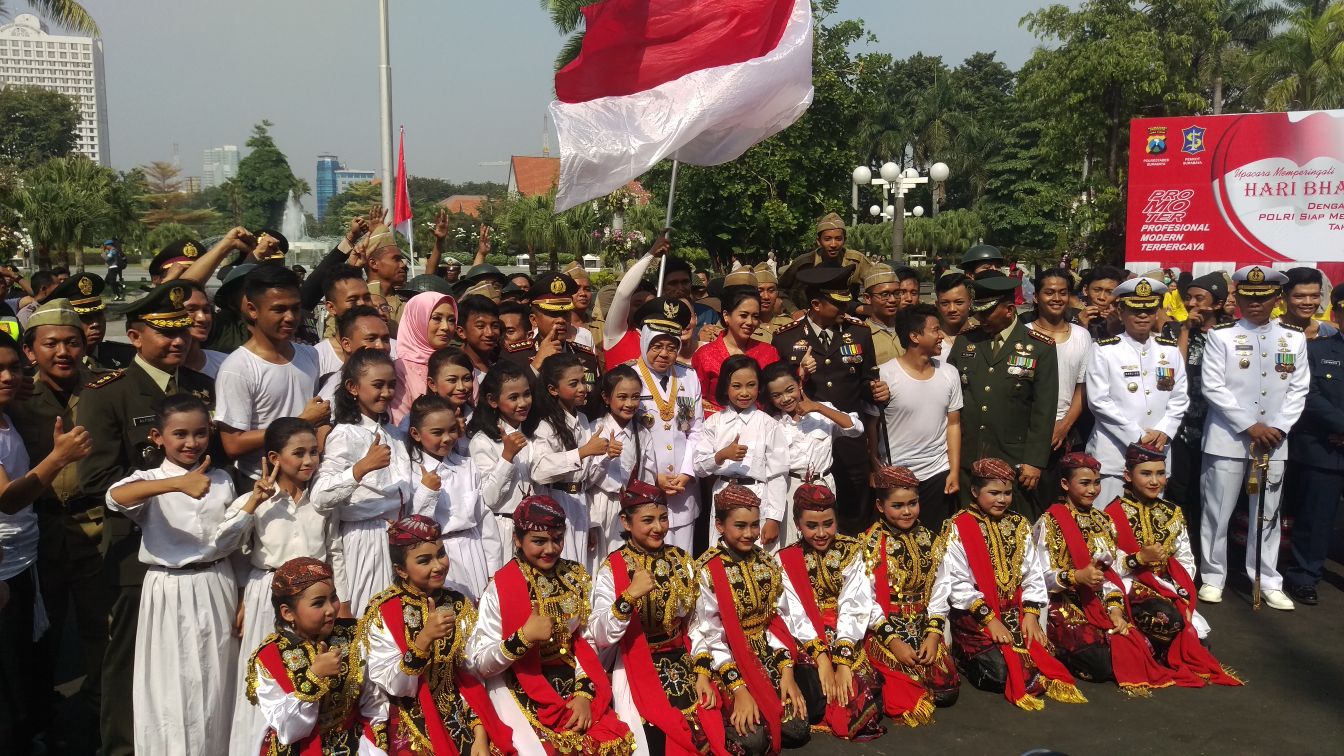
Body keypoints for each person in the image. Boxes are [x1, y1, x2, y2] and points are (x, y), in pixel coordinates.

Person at [72, 282, 217, 756]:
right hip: (138, 554)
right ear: (134, 337)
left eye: (183, 332)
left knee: (195, 664)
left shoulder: (200, 387)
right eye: (165, 332)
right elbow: (97, 479)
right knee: (130, 663)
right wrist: (166, 491)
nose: (179, 341)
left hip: (203, 549)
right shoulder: (108, 394)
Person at [105, 394, 263, 756]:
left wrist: (241, 595)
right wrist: (176, 484)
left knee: (216, 676)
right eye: (180, 434)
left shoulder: (222, 479)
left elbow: (235, 543)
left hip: (217, 583)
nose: (191, 443)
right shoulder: (149, 479)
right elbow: (116, 497)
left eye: (200, 434)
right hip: (170, 588)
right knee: (175, 680)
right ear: (158, 437)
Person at [466, 496, 637, 756]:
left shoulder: (575, 576)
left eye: (557, 538)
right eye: (538, 541)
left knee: (612, 741)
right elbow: (479, 663)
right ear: (516, 539)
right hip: (521, 683)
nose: (550, 549)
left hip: (573, 679)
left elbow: (586, 641)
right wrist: (522, 638)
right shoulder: (500, 588)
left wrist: (583, 693)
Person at [10, 301, 104, 748]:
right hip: (40, 534)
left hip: (96, 528)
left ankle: (99, 714)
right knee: (38, 635)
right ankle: (41, 718)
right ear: (32, 350)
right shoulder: (17, 399)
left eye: (73, 342)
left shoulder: (106, 389)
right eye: (51, 344)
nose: (63, 351)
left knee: (100, 629)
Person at [933, 458, 1087, 710]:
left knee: (1043, 658)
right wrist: (989, 619)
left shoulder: (1019, 524)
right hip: (977, 615)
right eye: (993, 492)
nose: (1002, 499)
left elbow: (1033, 574)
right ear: (974, 491)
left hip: (1015, 611)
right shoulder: (957, 527)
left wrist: (1030, 614)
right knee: (999, 674)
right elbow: (956, 582)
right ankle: (963, 655)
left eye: (1007, 493)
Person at [587, 479, 726, 755]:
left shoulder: (681, 559)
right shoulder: (612, 568)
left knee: (706, 732)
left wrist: (701, 673)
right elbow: (600, 634)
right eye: (648, 520)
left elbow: (696, 624)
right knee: (651, 743)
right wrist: (628, 597)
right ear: (626, 523)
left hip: (681, 659)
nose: (659, 527)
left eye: (663, 518)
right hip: (634, 662)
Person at [1197, 265, 1308, 611]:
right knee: (1217, 511)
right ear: (1238, 298)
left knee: (1268, 513)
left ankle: (1267, 577)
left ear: (1276, 298)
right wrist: (1250, 426)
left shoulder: (1293, 337)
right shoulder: (1222, 336)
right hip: (1228, 439)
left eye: (1262, 298)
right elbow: (1213, 387)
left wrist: (1278, 427)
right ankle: (1213, 576)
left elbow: (1299, 389)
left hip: (1274, 440)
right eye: (1248, 297)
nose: (1254, 304)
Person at [226, 419, 337, 756]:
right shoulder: (257, 499)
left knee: (314, 670)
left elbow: (335, 550)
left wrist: (338, 599)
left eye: (314, 452)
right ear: (274, 457)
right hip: (270, 596)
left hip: (315, 600)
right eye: (299, 453)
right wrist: (252, 504)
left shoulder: (321, 499)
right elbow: (227, 544)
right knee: (269, 677)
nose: (309, 461)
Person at [362, 515, 507, 755]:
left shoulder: (457, 603)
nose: (438, 565)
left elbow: (469, 674)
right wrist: (423, 641)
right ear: (401, 570)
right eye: (424, 560)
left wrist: (480, 732)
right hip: (409, 719)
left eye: (441, 554)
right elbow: (394, 686)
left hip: (460, 715)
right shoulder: (383, 611)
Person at [1034, 452, 1177, 695]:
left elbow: (1110, 575)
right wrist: (1076, 577)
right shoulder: (1049, 522)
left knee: (1158, 628)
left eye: (1097, 482)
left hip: (1098, 599)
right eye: (1085, 483)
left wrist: (1116, 610)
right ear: (1065, 484)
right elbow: (1038, 576)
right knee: (1100, 664)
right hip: (1061, 600)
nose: (1093, 490)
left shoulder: (1104, 521)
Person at [1105, 443, 1242, 686]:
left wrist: (1181, 593)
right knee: (1169, 622)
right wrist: (1138, 560)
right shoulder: (1112, 514)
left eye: (1160, 473)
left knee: (1198, 642)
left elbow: (1185, 559)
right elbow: (1105, 565)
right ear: (1128, 476)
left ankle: (1156, 648)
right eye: (1146, 473)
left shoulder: (1173, 512)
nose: (1154, 481)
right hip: (1128, 584)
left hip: (1167, 587)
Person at [692, 484, 815, 753]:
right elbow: (710, 633)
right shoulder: (707, 570)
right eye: (740, 525)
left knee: (797, 729)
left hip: (765, 656)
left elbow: (777, 621)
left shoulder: (766, 563)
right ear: (720, 526)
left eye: (755, 524)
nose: (750, 533)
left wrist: (787, 672)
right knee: (753, 741)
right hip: (725, 660)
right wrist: (738, 689)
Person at [772, 265, 887, 532]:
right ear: (816, 304)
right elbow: (778, 390)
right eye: (837, 304)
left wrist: (877, 389)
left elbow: (867, 379)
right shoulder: (786, 337)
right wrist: (801, 374)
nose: (843, 310)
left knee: (853, 513)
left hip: (849, 436)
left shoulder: (859, 332)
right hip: (809, 441)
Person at [775, 483, 887, 741]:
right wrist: (824, 660)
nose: (822, 533)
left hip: (846, 632)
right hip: (807, 637)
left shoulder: (851, 550)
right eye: (811, 526)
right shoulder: (785, 558)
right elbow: (794, 613)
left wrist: (843, 661)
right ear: (797, 524)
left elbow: (855, 604)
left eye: (829, 523)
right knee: (816, 697)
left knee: (861, 699)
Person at [243, 557, 385, 755]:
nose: (331, 609)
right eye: (318, 603)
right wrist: (314, 677)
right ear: (288, 613)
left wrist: (376, 743)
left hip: (354, 744)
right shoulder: (270, 658)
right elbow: (289, 730)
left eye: (333, 597)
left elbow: (373, 700)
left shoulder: (353, 635)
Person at [947, 271, 1058, 519]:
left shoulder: (1039, 347)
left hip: (1013, 460)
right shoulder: (966, 342)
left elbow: (1044, 409)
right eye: (977, 311)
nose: (980, 318)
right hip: (969, 457)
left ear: (1009, 310)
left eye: (987, 312)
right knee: (968, 529)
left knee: (1013, 530)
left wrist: (1035, 461)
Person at [312, 348, 414, 615]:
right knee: (371, 617)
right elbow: (320, 497)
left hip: (398, 537)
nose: (386, 393)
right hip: (364, 541)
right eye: (377, 385)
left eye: (392, 385)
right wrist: (360, 469)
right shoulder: (345, 434)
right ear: (353, 387)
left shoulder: (393, 433)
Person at [860, 466, 958, 719]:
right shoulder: (869, 544)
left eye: (913, 503)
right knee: (905, 697)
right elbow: (865, 600)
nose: (907, 511)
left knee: (946, 693)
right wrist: (893, 641)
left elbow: (941, 587)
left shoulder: (929, 538)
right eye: (898, 505)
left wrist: (934, 635)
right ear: (881, 506)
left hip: (924, 626)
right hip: (886, 628)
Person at [215, 265, 327, 480]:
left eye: (295, 308)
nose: (290, 317)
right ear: (252, 309)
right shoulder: (237, 368)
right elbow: (233, 443)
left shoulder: (310, 355)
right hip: (261, 483)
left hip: (306, 479)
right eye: (279, 309)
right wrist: (301, 422)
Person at [1085, 276, 1189, 506]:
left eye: (1149, 309)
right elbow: (1099, 401)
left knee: (1150, 525)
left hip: (1157, 453)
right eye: (1135, 309)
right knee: (1109, 524)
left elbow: (1180, 396)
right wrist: (1138, 437)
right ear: (1121, 312)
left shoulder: (1169, 351)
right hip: (1114, 455)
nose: (1143, 315)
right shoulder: (1104, 350)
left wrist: (1165, 430)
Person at [875, 304, 962, 530]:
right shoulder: (885, 375)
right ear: (914, 336)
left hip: (937, 474)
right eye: (935, 330)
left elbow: (953, 424)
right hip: (896, 477)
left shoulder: (949, 373)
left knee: (936, 542)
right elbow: (870, 429)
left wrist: (953, 471)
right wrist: (875, 469)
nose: (941, 335)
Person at [1284, 282, 1344, 605]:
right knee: (1315, 520)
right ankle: (1304, 576)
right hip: (1325, 449)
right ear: (1336, 314)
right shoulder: (1316, 351)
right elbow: (1308, 395)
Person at [628, 297, 704, 552]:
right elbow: (628, 434)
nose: (664, 354)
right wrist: (654, 475)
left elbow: (695, 430)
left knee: (682, 562)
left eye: (671, 347)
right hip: (644, 486)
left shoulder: (688, 376)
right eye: (657, 345)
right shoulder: (628, 377)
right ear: (644, 342)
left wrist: (685, 473)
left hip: (683, 491)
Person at [761, 361, 864, 548]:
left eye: (789, 389)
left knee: (824, 539)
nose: (785, 398)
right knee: (791, 542)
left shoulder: (822, 410)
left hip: (823, 484)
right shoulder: (772, 423)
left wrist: (817, 408)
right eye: (776, 395)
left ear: (800, 384)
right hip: (791, 487)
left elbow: (856, 428)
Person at [409, 395, 502, 598]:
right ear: (416, 434)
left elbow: (484, 520)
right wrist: (427, 492)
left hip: (473, 550)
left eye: (452, 430)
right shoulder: (412, 473)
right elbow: (416, 524)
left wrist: (494, 571)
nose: (447, 438)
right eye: (437, 432)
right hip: (439, 555)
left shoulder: (466, 465)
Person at [693, 354, 789, 550]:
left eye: (751, 385)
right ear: (725, 387)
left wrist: (774, 519)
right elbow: (699, 467)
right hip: (723, 494)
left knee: (758, 557)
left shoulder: (768, 424)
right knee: (722, 556)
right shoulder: (714, 423)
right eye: (737, 386)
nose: (744, 393)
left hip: (758, 496)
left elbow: (778, 473)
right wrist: (721, 456)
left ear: (759, 386)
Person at [530, 353, 614, 566]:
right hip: (557, 502)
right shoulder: (546, 425)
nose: (583, 388)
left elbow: (586, 479)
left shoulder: (582, 419)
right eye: (574, 383)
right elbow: (539, 470)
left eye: (584, 381)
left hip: (580, 504)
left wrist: (605, 457)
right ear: (553, 389)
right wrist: (583, 451)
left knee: (582, 569)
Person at [1169, 273, 1229, 556]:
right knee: (1179, 492)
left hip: (1218, 427)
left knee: (1212, 496)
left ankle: (1211, 557)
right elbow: (1175, 374)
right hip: (1182, 427)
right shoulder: (1173, 332)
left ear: (1217, 304)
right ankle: (1182, 553)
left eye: (1199, 299)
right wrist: (1184, 331)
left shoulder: (1231, 334)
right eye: (1188, 298)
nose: (1192, 304)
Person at [501, 272, 603, 416]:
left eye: (566, 314)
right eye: (553, 314)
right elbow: (509, 402)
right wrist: (536, 365)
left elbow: (594, 404)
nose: (561, 320)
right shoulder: (515, 355)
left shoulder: (586, 356)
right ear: (534, 320)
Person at [468, 362, 540, 562]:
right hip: (503, 529)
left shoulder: (531, 434)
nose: (523, 403)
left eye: (526, 394)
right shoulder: (483, 441)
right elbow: (489, 499)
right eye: (513, 397)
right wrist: (507, 457)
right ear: (492, 400)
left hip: (534, 530)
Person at [1027, 269, 1092, 484]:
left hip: (1066, 433)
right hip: (1027, 431)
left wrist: (1064, 425)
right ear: (1036, 297)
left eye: (1063, 293)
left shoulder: (1082, 336)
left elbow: (1082, 387)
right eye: (1049, 292)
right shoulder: (1022, 333)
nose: (1056, 298)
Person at [586, 367, 656, 561]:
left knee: (627, 562)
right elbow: (586, 480)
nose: (629, 403)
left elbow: (648, 477)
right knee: (598, 563)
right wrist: (606, 457)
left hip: (629, 507)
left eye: (635, 397)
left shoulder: (642, 433)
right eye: (622, 397)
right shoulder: (595, 429)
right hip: (599, 504)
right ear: (606, 398)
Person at [692, 277, 780, 414]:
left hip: (760, 428)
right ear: (726, 316)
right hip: (716, 429)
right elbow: (696, 399)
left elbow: (778, 391)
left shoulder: (769, 352)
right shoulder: (704, 354)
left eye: (755, 316)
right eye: (744, 315)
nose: (750, 322)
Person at [42, 272, 137, 371]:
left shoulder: (128, 356)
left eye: (99, 315)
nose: (95, 324)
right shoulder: (53, 365)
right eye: (84, 317)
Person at [603, 234, 669, 370]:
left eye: (649, 304)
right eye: (637, 304)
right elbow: (622, 293)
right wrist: (650, 254)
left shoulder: (666, 342)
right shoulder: (616, 334)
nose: (644, 309)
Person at [777, 213, 872, 305]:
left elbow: (878, 285)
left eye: (838, 239)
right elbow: (780, 290)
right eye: (827, 239)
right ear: (819, 241)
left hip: (848, 313)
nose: (833, 244)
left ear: (844, 240)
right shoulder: (805, 262)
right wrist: (794, 311)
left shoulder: (857, 261)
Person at [316, 306, 394, 402]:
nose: (381, 346)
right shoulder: (331, 399)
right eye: (371, 339)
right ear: (346, 344)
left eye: (385, 340)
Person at [316, 264, 375, 364]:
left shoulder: (393, 350)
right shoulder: (318, 358)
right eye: (353, 299)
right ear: (331, 307)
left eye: (367, 298)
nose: (362, 304)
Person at [361, 223, 410, 335]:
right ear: (373, 263)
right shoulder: (357, 302)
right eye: (396, 259)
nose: (403, 265)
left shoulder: (406, 304)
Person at [861, 264, 905, 366]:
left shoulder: (909, 329)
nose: (892, 300)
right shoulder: (862, 335)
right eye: (884, 295)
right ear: (867, 298)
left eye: (897, 293)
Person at [1280, 267, 1336, 340]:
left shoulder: (1331, 334)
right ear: (1284, 297)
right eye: (1299, 296)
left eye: (1315, 296)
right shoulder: (1270, 332)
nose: (1308, 302)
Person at [752, 262, 797, 343]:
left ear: (777, 294)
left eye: (771, 291)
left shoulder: (788, 323)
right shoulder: (746, 327)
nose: (766, 297)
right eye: (760, 291)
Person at [933, 273, 974, 361]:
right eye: (945, 303)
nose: (952, 309)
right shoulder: (928, 341)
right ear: (937, 305)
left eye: (959, 302)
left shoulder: (982, 339)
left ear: (970, 302)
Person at [1077, 266, 1125, 339]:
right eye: (1096, 290)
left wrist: (1116, 330)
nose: (1101, 297)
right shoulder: (1069, 319)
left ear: (1118, 297)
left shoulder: (1128, 323)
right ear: (1085, 290)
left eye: (1109, 292)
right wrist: (1080, 328)